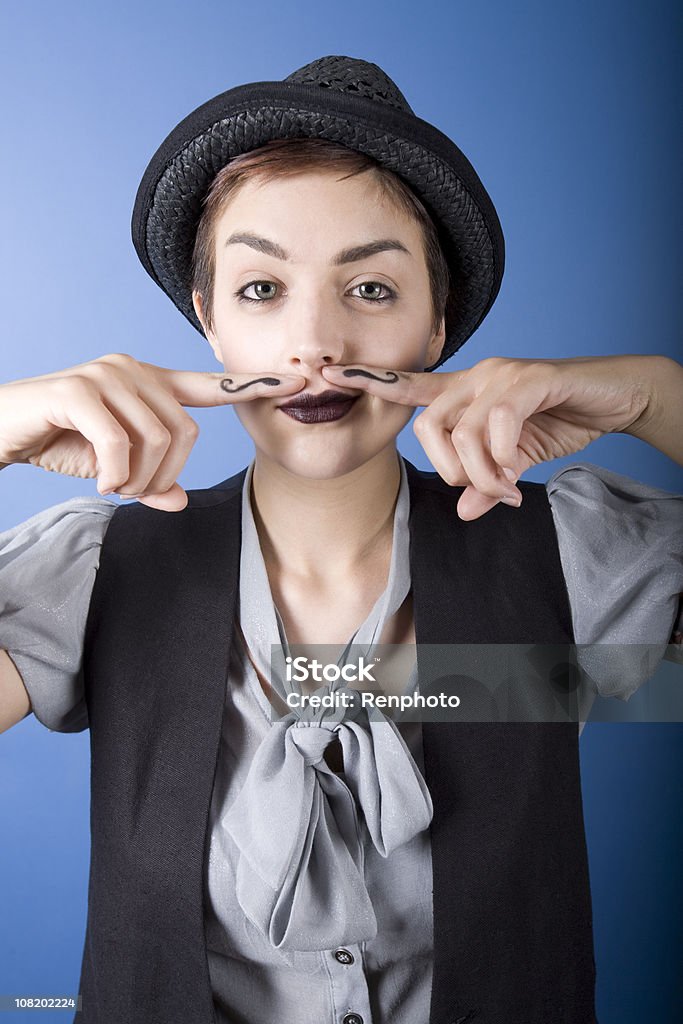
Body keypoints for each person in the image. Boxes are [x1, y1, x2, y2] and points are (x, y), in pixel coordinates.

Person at [0, 54, 681, 1024]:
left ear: (434, 326)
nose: (314, 345)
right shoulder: (100, 572)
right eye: (261, 289)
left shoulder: (567, 560)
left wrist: (655, 393)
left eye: (369, 290)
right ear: (207, 322)